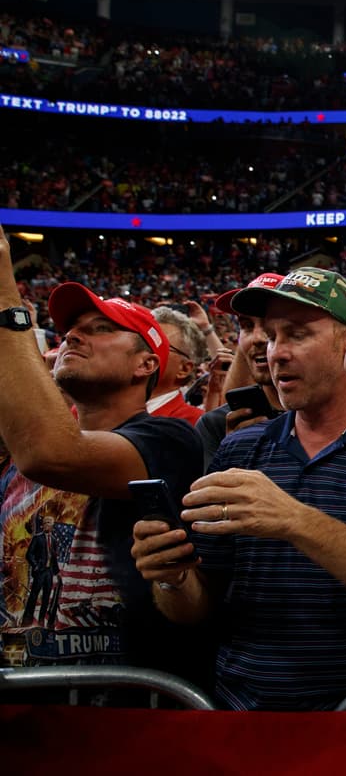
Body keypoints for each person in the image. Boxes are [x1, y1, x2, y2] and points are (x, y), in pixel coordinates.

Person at [131, 267, 346, 710]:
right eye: (271, 337)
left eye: (298, 334)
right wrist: (172, 579)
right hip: (240, 722)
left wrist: (294, 519)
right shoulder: (240, 450)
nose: (275, 353)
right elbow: (198, 606)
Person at [0, 232, 203, 677]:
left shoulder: (168, 439)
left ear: (146, 364)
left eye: (101, 328)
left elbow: (51, 453)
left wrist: (6, 300)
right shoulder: (10, 449)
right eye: (71, 329)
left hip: (118, 707)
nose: (72, 335)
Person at [194, 273, 286, 470]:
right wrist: (232, 457)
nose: (258, 338)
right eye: (246, 326)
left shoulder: (332, 417)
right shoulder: (216, 424)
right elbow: (208, 500)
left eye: (270, 324)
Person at [148, 305, 208, 425]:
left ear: (184, 369)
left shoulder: (195, 423)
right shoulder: (107, 409)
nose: (143, 350)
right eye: (142, 340)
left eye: (158, 344)